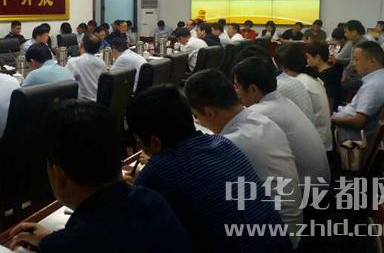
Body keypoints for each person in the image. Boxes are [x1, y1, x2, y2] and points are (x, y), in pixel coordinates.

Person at [126, 85, 291, 253]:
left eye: (140, 142)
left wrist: (133, 187)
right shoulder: (224, 144)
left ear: (154, 142)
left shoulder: (158, 173)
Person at [9, 101, 191, 253]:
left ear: (59, 175)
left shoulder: (74, 243)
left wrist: (56, 243)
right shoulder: (154, 200)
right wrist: (53, 240)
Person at [185, 69, 303, 249]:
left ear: (209, 113)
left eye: (197, 116)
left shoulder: (232, 145)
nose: (198, 121)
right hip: (289, 224)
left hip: (277, 238)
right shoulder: (260, 120)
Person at [233, 57, 330, 183]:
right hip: (320, 181)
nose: (235, 92)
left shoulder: (260, 113)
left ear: (252, 89)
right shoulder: (283, 101)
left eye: (236, 86)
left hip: (307, 190)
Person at [331, 41, 384, 143]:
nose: (353, 64)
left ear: (372, 61)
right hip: (344, 121)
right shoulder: (382, 77)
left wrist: (331, 120)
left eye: (356, 60)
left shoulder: (373, 85)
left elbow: (358, 121)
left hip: (349, 135)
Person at [275, 45, 333, 151]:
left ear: (282, 66)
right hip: (322, 140)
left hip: (316, 144)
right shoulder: (308, 77)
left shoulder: (297, 83)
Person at [66, 34, 107, 101]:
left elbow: (65, 81)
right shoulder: (102, 62)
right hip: (99, 101)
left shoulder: (74, 62)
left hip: (82, 103)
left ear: (81, 44)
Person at [305, 42, 342, 113]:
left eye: (308, 57)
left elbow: (330, 101)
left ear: (317, 57)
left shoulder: (330, 75)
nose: (307, 60)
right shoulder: (315, 70)